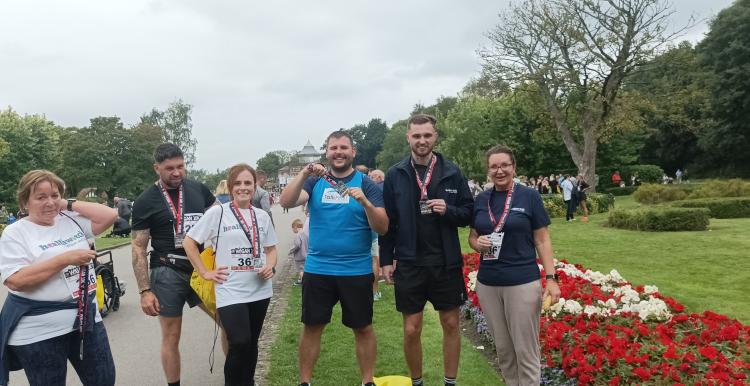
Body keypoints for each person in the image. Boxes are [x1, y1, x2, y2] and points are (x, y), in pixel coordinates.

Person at [279, 130, 388, 386]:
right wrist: (305, 173)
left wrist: (367, 204)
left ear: (353, 152)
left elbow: (383, 227)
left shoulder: (367, 183)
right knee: (312, 327)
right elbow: (286, 200)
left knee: (363, 328)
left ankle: (367, 381)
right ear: (326, 152)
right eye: (333, 148)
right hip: (319, 269)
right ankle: (304, 382)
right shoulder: (316, 181)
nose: (338, 152)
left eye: (343, 148)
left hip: (356, 270)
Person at [380, 114, 474, 386]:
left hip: (445, 261)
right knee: (411, 329)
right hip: (410, 262)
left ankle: (450, 383)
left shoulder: (452, 171)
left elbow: (468, 213)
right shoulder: (395, 174)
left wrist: (449, 210)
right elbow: (388, 223)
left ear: (435, 137)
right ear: (408, 137)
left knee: (451, 324)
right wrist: (387, 259)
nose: (422, 141)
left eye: (427, 135)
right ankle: (417, 382)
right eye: (417, 136)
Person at [0, 169, 118, 385]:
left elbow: (110, 215)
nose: (49, 202)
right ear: (25, 202)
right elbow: (15, 280)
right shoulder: (15, 232)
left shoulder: (70, 219)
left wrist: (66, 204)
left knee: (104, 380)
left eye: (54, 195)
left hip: (86, 319)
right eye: (41, 197)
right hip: (39, 330)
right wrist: (65, 259)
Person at [468, 145, 561, 385]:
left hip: (522, 282)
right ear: (488, 170)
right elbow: (472, 236)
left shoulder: (529, 196)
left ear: (513, 167)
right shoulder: (481, 199)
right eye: (494, 166)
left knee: (525, 351)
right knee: (504, 350)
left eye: (504, 165)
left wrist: (551, 279)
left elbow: (542, 239)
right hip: (489, 284)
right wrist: (478, 243)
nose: (499, 171)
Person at [130, 143, 219, 386]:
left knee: (229, 322)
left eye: (181, 166)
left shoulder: (199, 190)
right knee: (171, 336)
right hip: (167, 270)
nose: (177, 172)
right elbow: (138, 247)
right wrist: (145, 291)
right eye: (170, 168)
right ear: (157, 168)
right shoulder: (145, 201)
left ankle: (238, 378)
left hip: (202, 269)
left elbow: (220, 220)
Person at [183, 163, 277, 386]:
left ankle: (248, 382)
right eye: (238, 183)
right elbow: (189, 242)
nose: (243, 187)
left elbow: (271, 250)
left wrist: (270, 266)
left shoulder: (262, 216)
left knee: (252, 342)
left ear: (255, 186)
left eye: (248, 183)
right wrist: (204, 272)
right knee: (239, 342)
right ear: (230, 186)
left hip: (259, 288)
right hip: (230, 289)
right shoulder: (218, 213)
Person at [289, 218, 307, 285]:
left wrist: (291, 250)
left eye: (293, 228)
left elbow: (297, 245)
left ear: (295, 227)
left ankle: (303, 281)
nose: (293, 230)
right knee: (304, 268)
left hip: (299, 256)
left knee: (301, 270)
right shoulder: (305, 234)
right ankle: (301, 280)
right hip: (305, 254)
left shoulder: (297, 235)